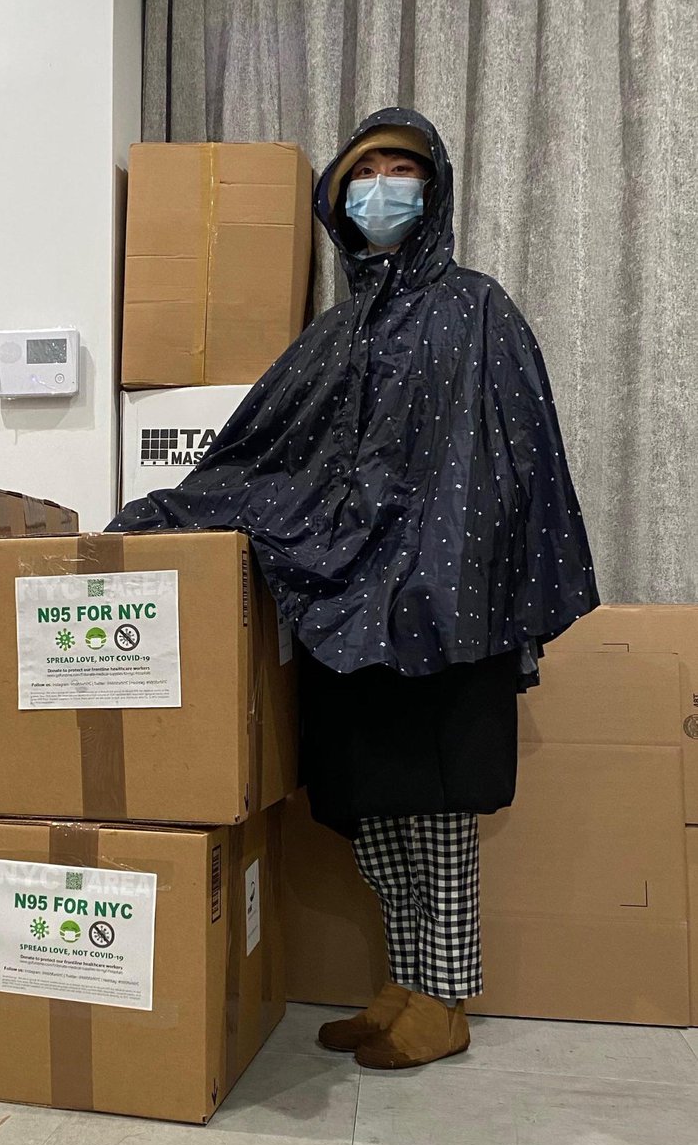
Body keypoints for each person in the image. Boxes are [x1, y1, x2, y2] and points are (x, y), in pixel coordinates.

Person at [107, 107, 599, 1069]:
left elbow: (514, 462)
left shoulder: (477, 308)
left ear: (433, 189)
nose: (381, 184)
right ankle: (401, 983)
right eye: (364, 168)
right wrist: (179, 508)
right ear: (337, 197)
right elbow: (265, 451)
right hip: (344, 605)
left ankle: (447, 1000)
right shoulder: (332, 335)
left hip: (445, 609)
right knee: (373, 806)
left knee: (435, 809)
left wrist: (444, 573)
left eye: (401, 168)